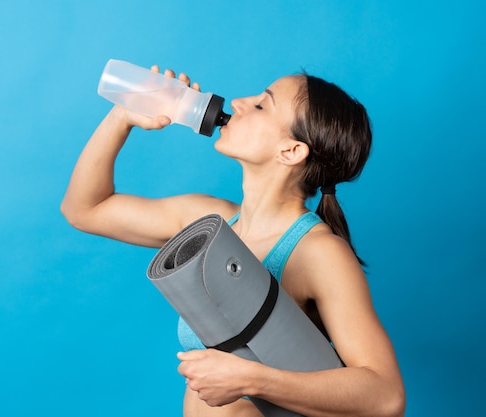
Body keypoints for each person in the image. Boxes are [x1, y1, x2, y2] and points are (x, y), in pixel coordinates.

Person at [61, 65, 406, 417]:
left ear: (291, 151)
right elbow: (85, 209)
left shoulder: (317, 252)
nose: (238, 102)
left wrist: (254, 380)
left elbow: (386, 396)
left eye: (261, 106)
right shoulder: (208, 222)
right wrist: (123, 115)